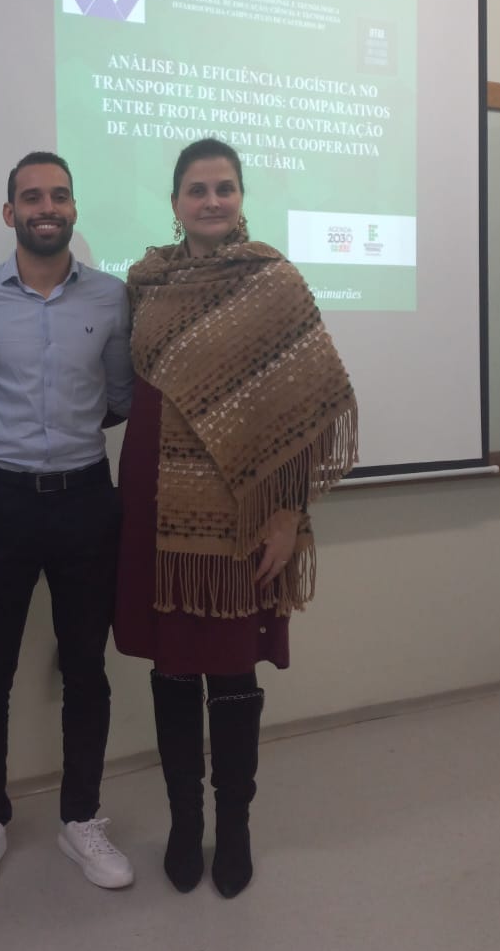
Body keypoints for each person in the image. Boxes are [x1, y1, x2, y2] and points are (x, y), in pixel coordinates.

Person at [115, 137, 357, 898]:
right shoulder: (146, 285)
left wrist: (287, 516)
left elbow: (304, 411)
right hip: (155, 504)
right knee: (172, 667)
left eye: (224, 187)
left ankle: (236, 825)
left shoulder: (274, 283)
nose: (211, 201)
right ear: (175, 201)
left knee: (229, 668)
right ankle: (185, 822)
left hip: (238, 514)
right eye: (197, 189)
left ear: (242, 197)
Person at [0, 152, 135, 896]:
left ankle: (80, 817)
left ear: (74, 208)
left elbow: (118, 396)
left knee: (87, 666)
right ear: (10, 213)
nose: (46, 207)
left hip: (86, 499)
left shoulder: (113, 297)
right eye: (32, 197)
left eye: (59, 195)